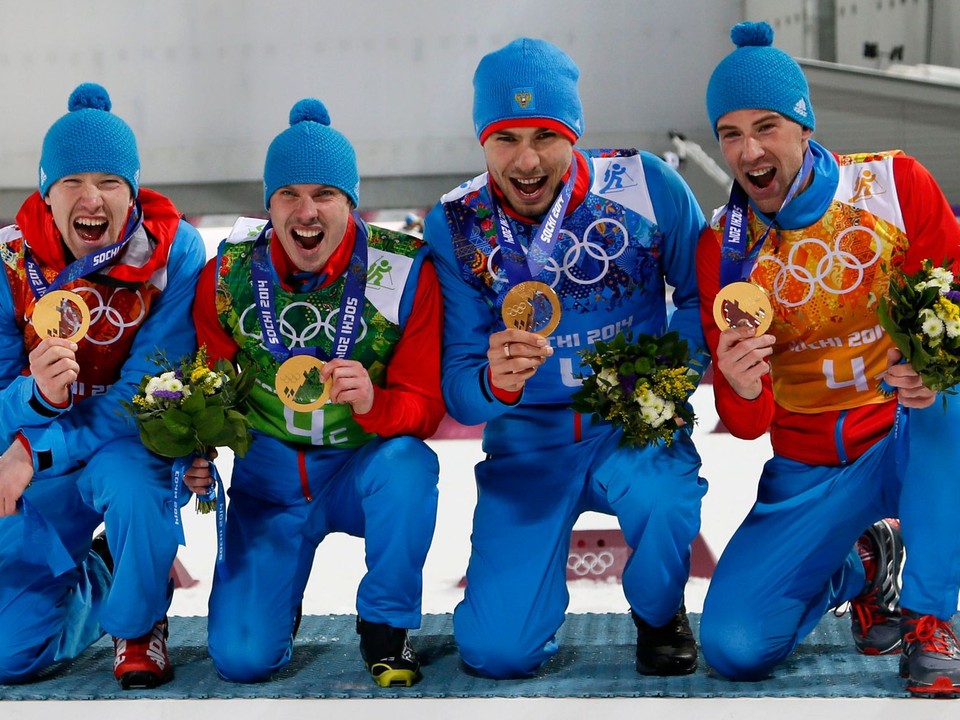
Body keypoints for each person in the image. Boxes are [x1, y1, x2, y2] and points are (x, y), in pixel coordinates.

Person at [423, 37, 709, 679]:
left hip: (630, 425)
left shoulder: (643, 186)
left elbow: (700, 296)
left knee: (664, 498)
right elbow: (458, 387)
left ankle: (659, 612)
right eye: (505, 138)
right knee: (498, 653)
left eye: (545, 136)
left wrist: (667, 384)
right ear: (481, 141)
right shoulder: (456, 224)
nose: (526, 160)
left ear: (574, 133)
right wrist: (492, 384)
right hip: (529, 443)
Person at [697, 21, 960, 698]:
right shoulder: (723, 250)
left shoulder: (895, 187)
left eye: (767, 126)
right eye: (729, 132)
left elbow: (957, 306)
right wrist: (735, 382)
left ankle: (929, 619)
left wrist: (934, 364)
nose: (749, 149)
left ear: (804, 124)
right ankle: (862, 563)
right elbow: (748, 424)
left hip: (907, 437)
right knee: (736, 646)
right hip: (809, 466)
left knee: (952, 402)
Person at [190, 98, 443, 687]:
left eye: (325, 195)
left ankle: (386, 624)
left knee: (410, 465)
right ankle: (276, 597)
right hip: (269, 485)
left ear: (350, 203)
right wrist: (195, 450)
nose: (306, 212)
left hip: (360, 467)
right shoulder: (225, 277)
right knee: (242, 660)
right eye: (289, 195)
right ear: (269, 204)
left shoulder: (402, 270)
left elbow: (427, 407)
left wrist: (376, 404)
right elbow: (206, 392)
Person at [0, 83, 206, 688]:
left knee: (135, 489)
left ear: (133, 190)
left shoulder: (175, 250)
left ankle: (138, 625)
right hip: (32, 459)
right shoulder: (9, 263)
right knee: (11, 659)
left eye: (111, 182)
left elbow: (150, 391)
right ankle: (104, 571)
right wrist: (32, 400)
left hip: (113, 445)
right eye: (72, 183)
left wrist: (36, 446)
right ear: (46, 191)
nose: (92, 198)